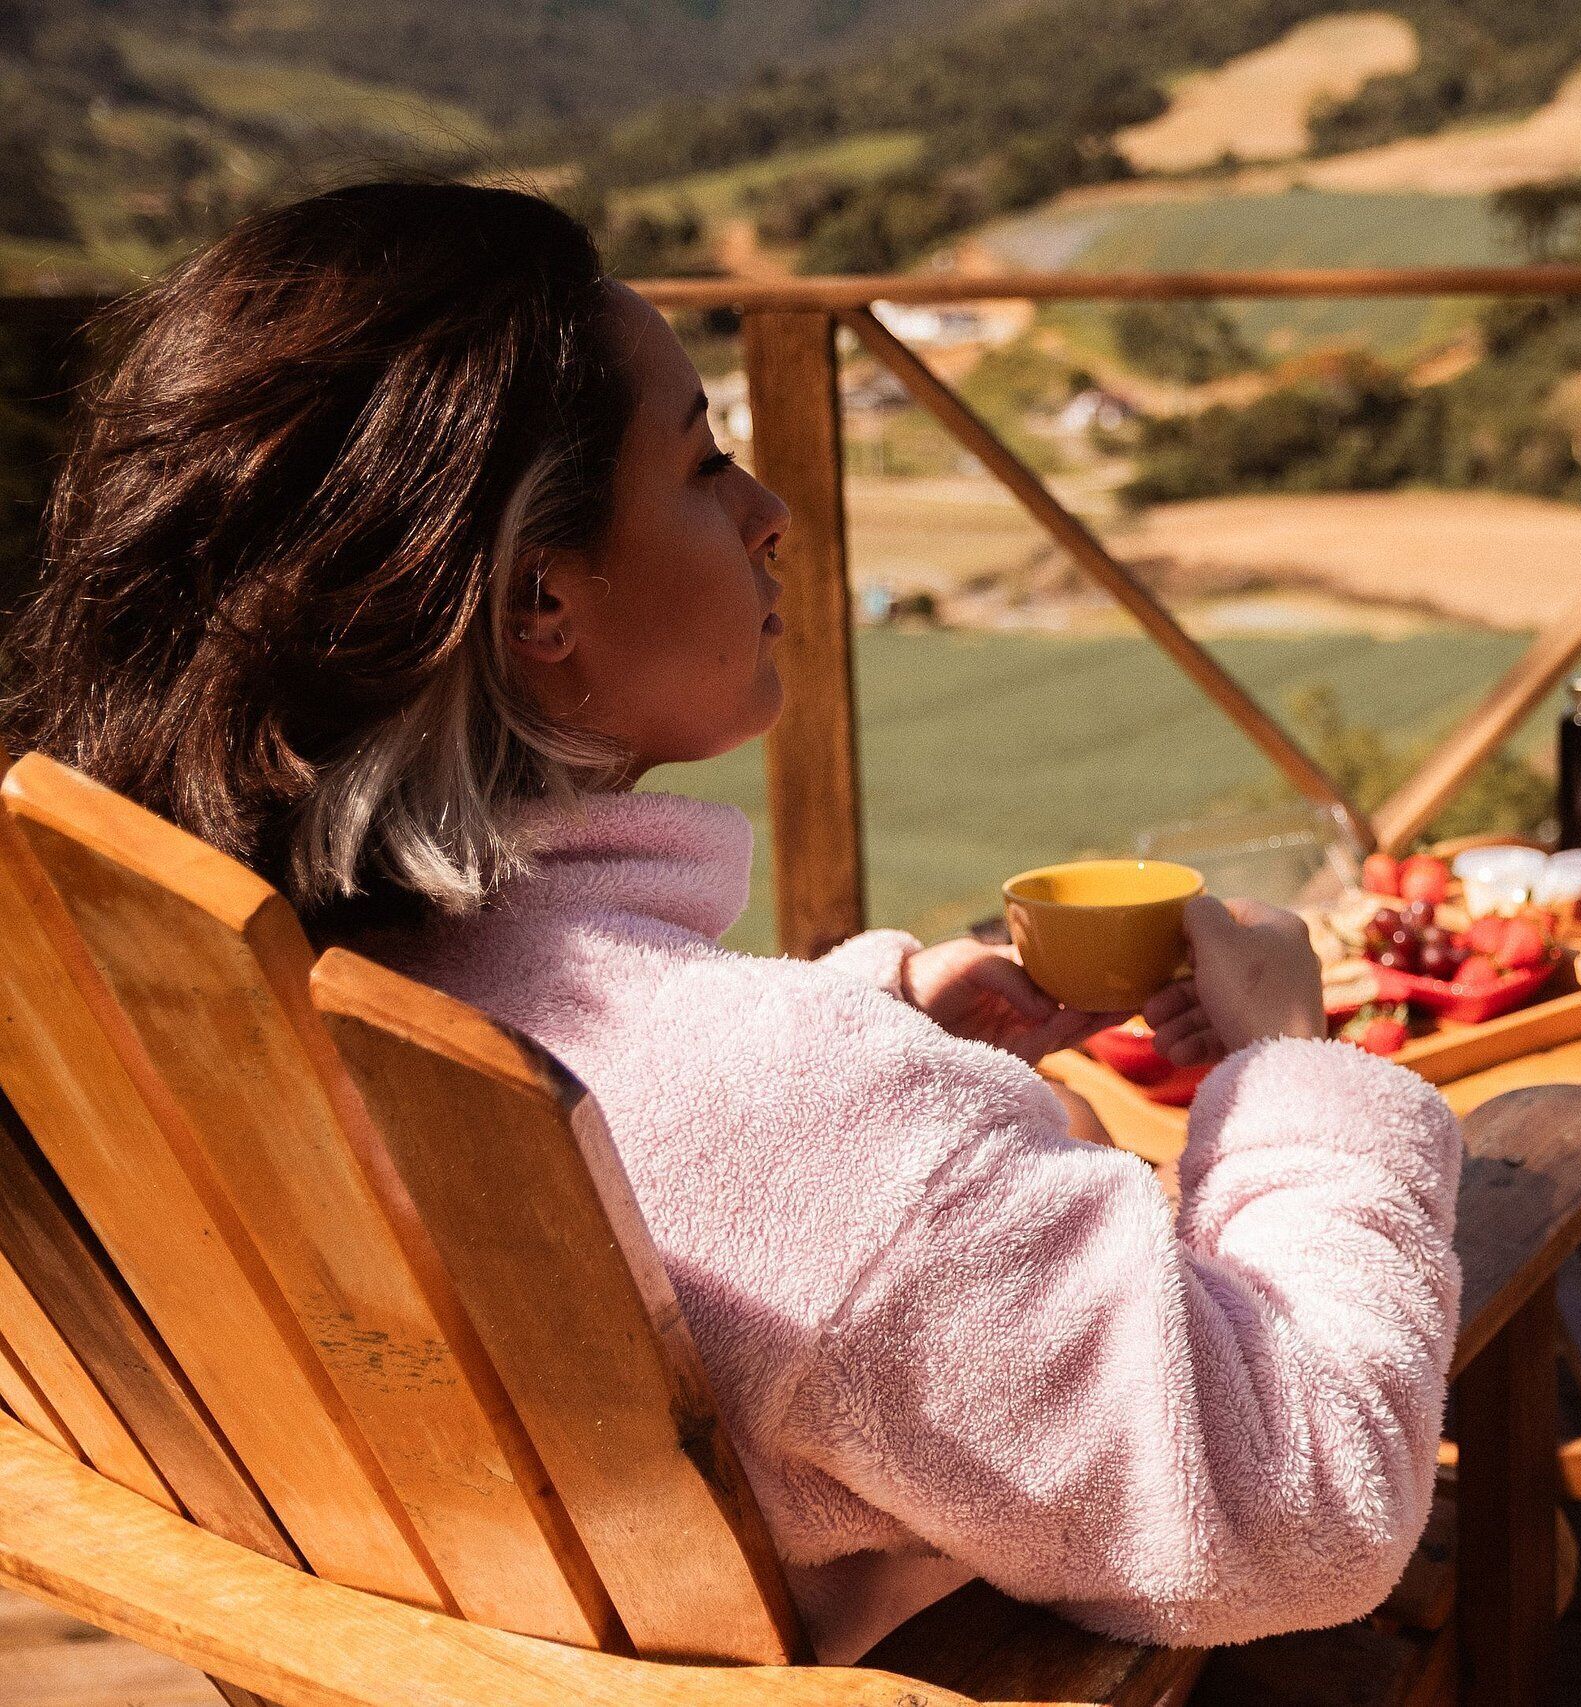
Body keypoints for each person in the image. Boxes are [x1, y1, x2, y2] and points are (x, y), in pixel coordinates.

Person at [3, 181, 1461, 1661]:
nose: (771, 515)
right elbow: (1312, 1509)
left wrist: (870, 1028)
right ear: (538, 601)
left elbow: (696, 1138)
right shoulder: (817, 1124)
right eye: (705, 465)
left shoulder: (229, 1002)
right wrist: (1291, 1073)